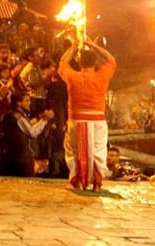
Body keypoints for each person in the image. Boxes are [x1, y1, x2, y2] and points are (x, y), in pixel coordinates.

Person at [58, 36, 116, 192]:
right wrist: (93, 45)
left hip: (76, 119)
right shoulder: (102, 75)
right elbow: (111, 60)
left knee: (73, 151)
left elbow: (62, 62)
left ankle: (77, 181)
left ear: (79, 62)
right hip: (97, 119)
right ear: (95, 63)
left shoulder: (73, 76)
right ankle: (97, 183)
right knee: (99, 151)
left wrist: (74, 47)